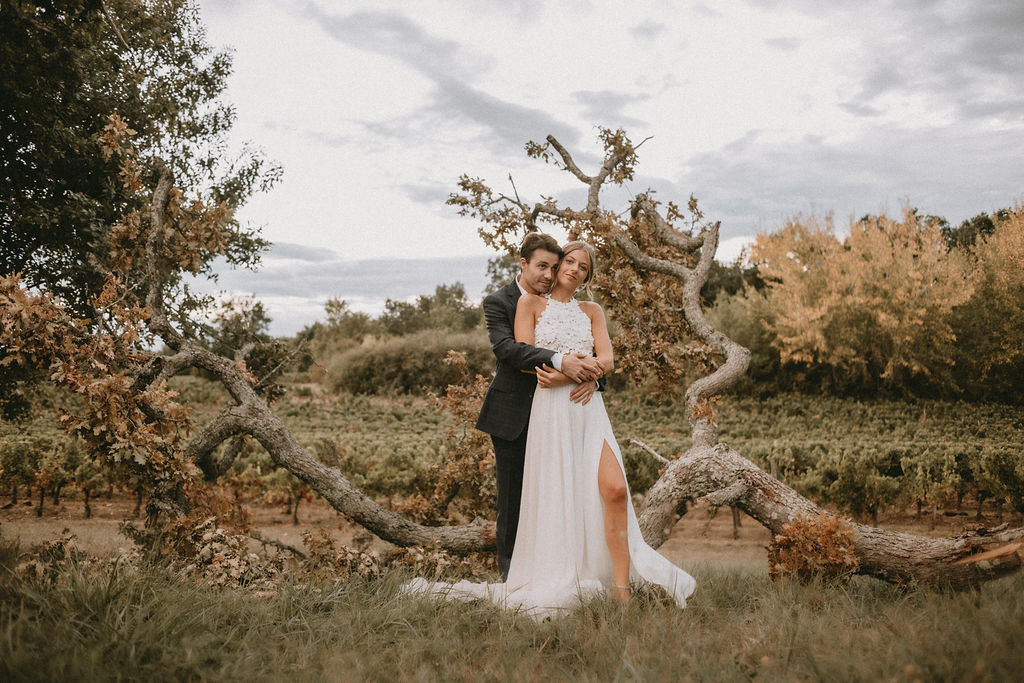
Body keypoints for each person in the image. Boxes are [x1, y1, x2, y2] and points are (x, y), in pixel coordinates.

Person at [406, 241, 696, 617]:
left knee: (614, 489)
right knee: (532, 499)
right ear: (534, 265)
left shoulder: (593, 310)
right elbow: (516, 354)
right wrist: (565, 370)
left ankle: (620, 588)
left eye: (580, 266)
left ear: (587, 276)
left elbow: (606, 359)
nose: (569, 270)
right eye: (565, 263)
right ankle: (524, 577)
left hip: (587, 409)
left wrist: (588, 377)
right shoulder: (516, 303)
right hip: (534, 413)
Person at [475, 232, 603, 580]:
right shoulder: (498, 301)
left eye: (553, 267)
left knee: (557, 494)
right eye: (542, 267)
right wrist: (563, 362)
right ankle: (511, 578)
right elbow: (508, 350)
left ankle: (558, 570)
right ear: (523, 264)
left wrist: (593, 377)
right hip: (513, 415)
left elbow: (590, 352)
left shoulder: (560, 304)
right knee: (514, 501)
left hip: (559, 417)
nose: (549, 275)